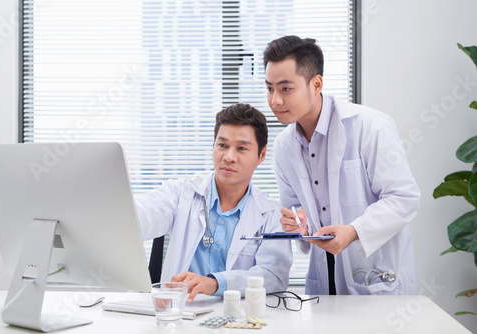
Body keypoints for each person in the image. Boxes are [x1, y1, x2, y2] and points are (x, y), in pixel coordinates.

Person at [263, 35, 420, 295]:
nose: (275, 101)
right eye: (269, 88)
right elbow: (295, 207)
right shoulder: (283, 146)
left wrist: (353, 231)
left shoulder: (369, 126)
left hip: (376, 276)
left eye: (285, 88)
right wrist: (297, 223)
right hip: (325, 281)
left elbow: (404, 198)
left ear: (316, 84)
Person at [134, 103, 292, 301]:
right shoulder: (181, 193)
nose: (229, 157)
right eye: (222, 145)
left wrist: (216, 283)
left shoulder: (271, 214)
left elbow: (273, 276)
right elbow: (141, 215)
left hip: (239, 319)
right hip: (182, 313)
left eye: (241, 148)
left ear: (261, 155)